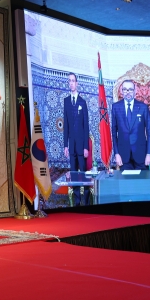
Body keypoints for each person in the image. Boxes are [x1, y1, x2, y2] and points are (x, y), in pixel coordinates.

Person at [111, 80, 150, 170]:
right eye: (125, 89)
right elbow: (114, 134)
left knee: (142, 182)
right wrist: (116, 153)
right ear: (122, 91)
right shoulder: (116, 107)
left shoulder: (143, 107)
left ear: (135, 91)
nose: (128, 92)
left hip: (141, 155)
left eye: (130, 89)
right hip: (123, 156)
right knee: (127, 184)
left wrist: (149, 153)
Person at [63, 73, 90, 206]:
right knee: (74, 173)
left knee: (83, 173)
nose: (71, 83)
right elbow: (66, 125)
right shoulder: (66, 101)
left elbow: (86, 127)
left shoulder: (82, 102)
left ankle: (86, 200)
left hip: (81, 145)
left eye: (73, 81)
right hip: (71, 145)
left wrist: (86, 147)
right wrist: (65, 145)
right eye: (69, 81)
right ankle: (77, 201)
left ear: (77, 83)